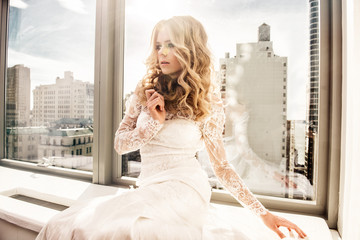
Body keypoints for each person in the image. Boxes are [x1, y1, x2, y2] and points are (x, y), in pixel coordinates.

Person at [36, 16, 307, 240]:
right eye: (158, 46)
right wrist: (152, 125)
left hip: (187, 188)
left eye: (170, 45)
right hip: (148, 188)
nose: (162, 52)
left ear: (190, 50)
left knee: (133, 232)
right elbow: (120, 144)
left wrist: (264, 214)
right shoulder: (144, 91)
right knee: (68, 226)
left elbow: (223, 168)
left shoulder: (209, 102)